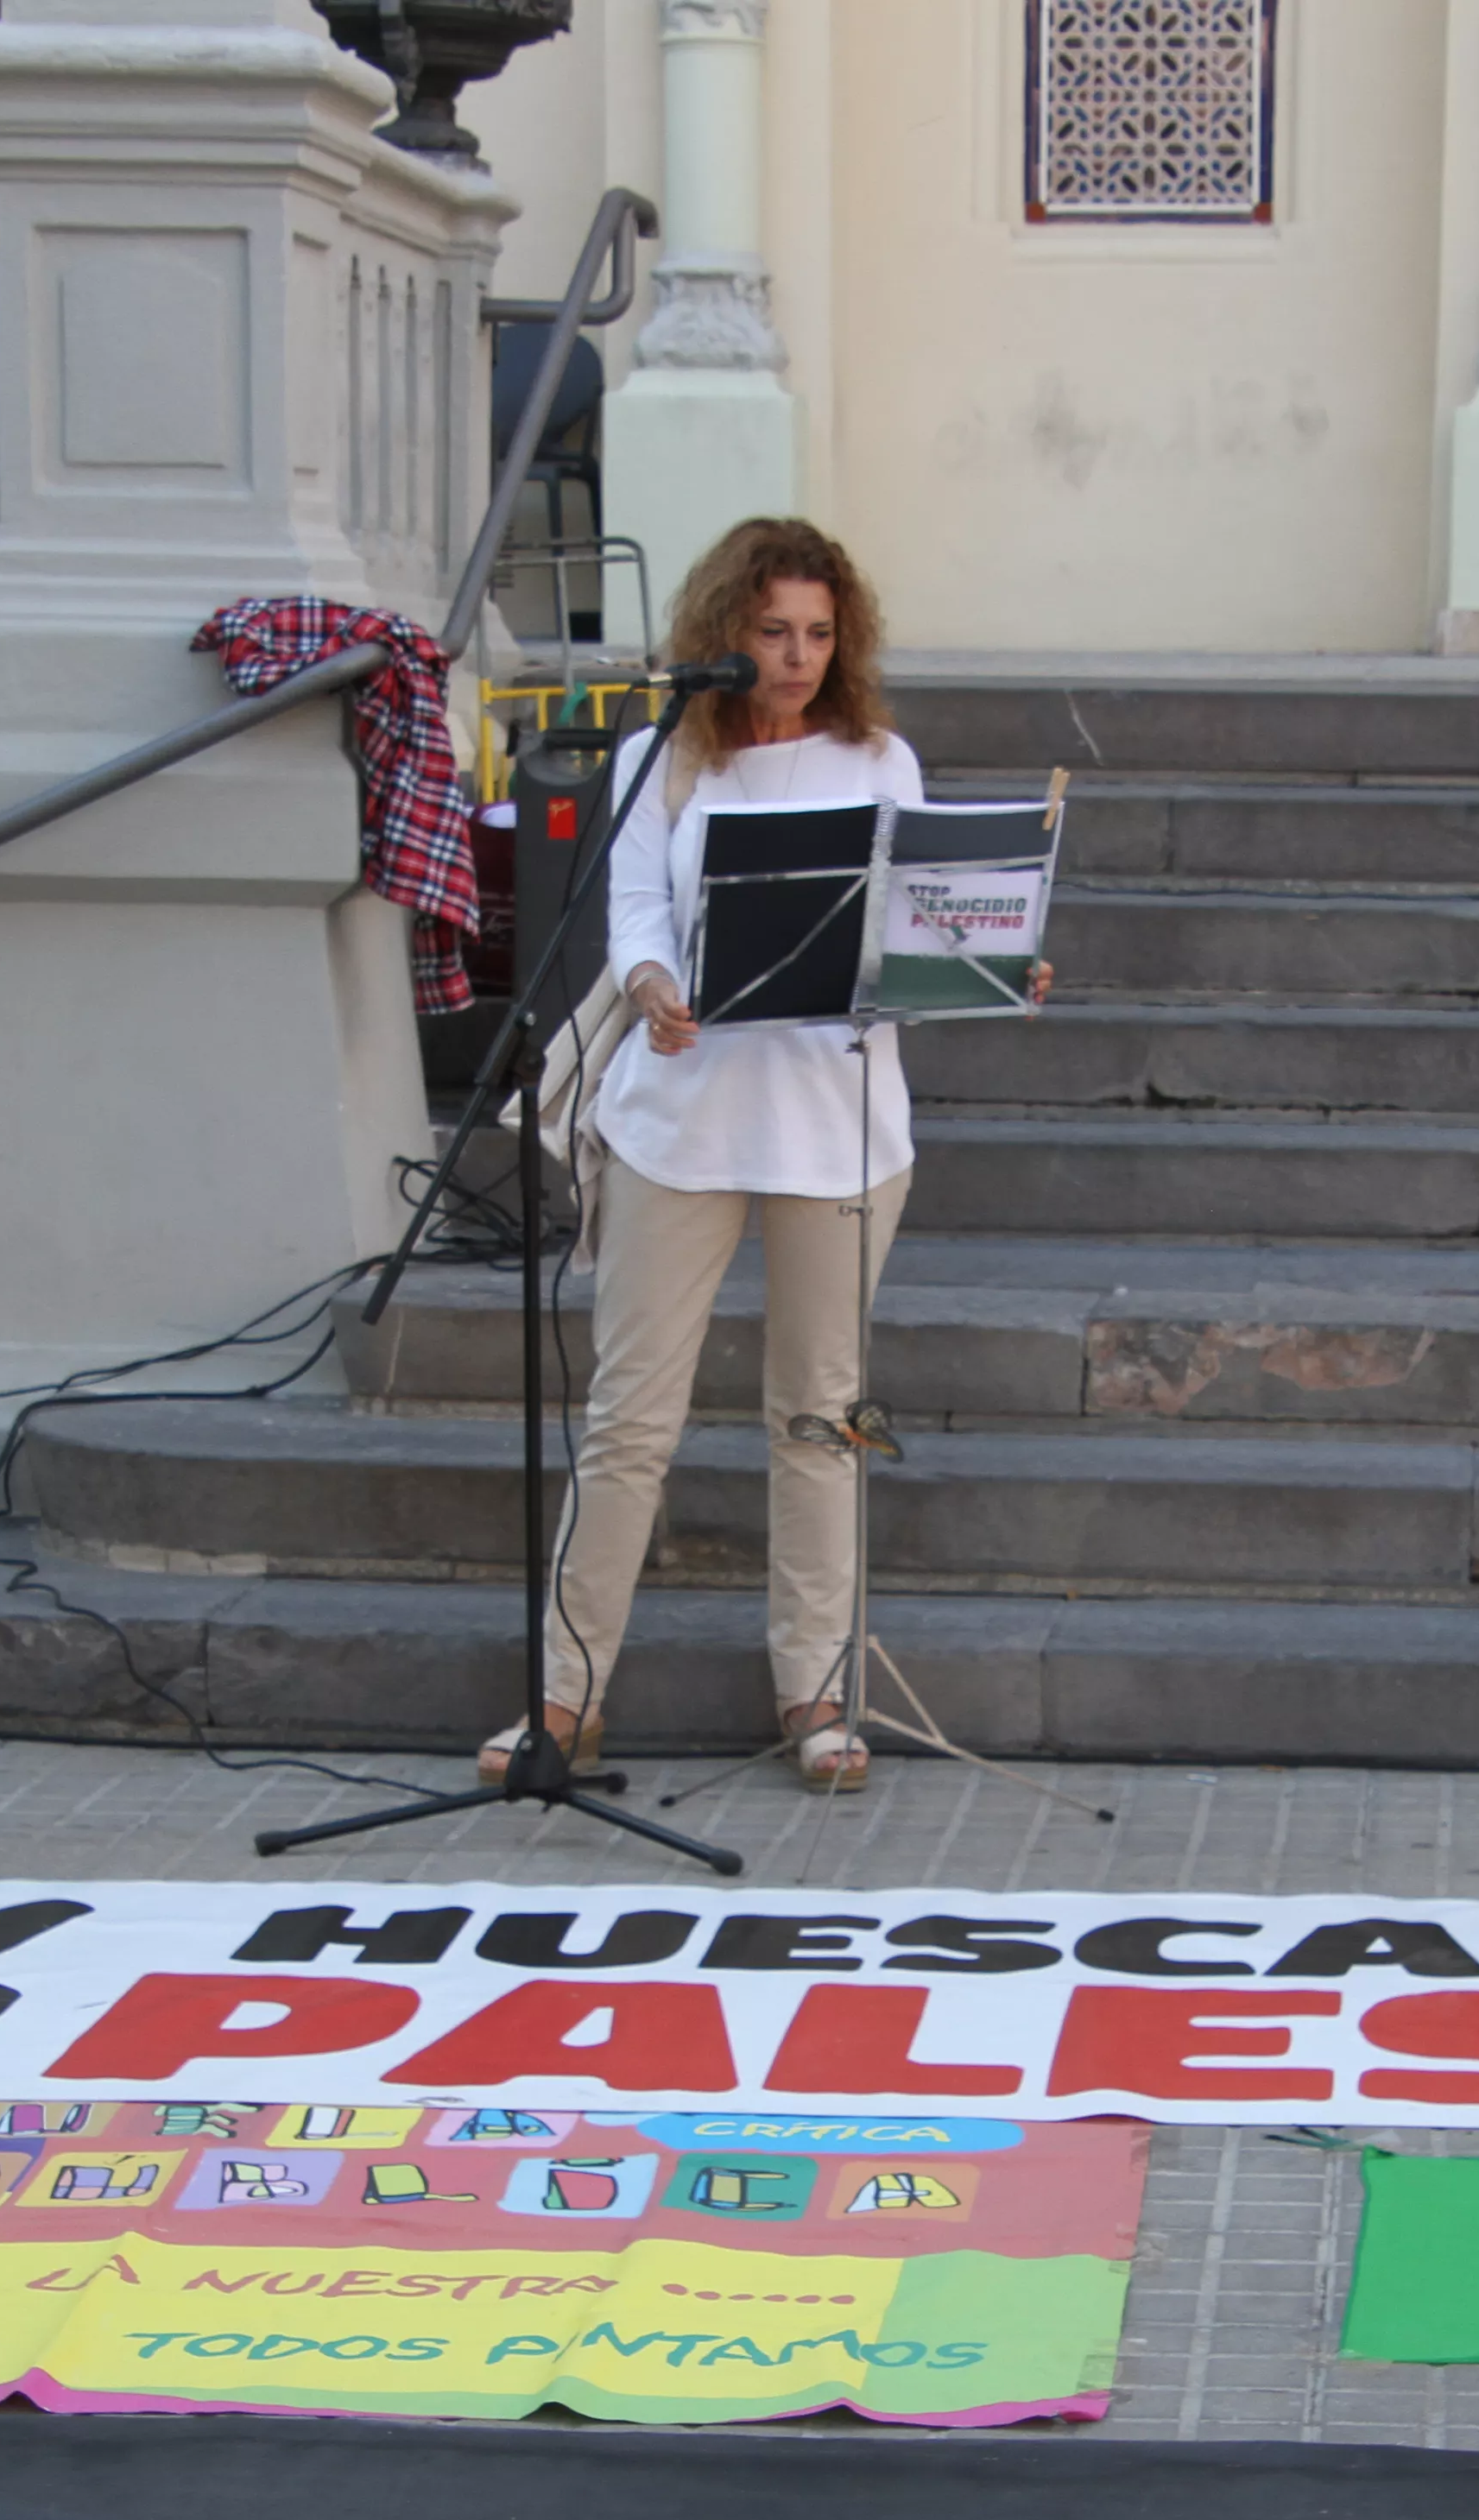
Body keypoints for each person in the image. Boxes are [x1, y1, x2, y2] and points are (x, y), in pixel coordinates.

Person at [481, 517, 1011, 1794]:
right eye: (772, 632)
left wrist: (988, 962)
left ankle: (818, 1696)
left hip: (837, 1122)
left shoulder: (881, 758)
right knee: (628, 1419)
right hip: (687, 1118)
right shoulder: (667, 754)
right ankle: (565, 1699)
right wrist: (656, 984)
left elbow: (914, 929)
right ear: (725, 630)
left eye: (820, 635)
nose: (796, 657)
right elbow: (636, 915)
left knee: (826, 1419)